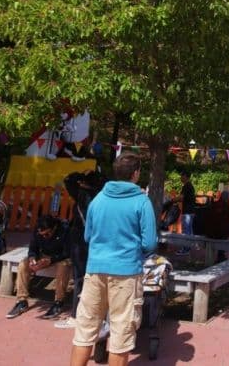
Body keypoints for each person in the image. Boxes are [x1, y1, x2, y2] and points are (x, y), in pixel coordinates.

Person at [70, 153, 157, 366]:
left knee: (85, 329)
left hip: (95, 270)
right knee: (121, 332)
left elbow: (88, 236)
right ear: (135, 174)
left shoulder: (98, 200)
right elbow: (149, 243)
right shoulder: (141, 201)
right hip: (126, 273)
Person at [54, 170, 103, 329]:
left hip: (81, 242)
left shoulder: (83, 194)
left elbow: (68, 179)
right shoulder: (103, 197)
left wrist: (80, 176)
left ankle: (76, 315)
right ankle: (94, 314)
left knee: (80, 278)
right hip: (97, 242)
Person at [6, 214, 72, 319]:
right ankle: (22, 300)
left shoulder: (65, 230)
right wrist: (33, 258)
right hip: (45, 255)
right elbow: (32, 248)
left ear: (54, 228)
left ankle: (59, 302)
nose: (44, 236)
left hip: (60, 257)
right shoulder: (38, 230)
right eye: (42, 234)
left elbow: (68, 252)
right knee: (23, 264)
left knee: (64, 266)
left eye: (47, 234)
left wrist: (51, 260)